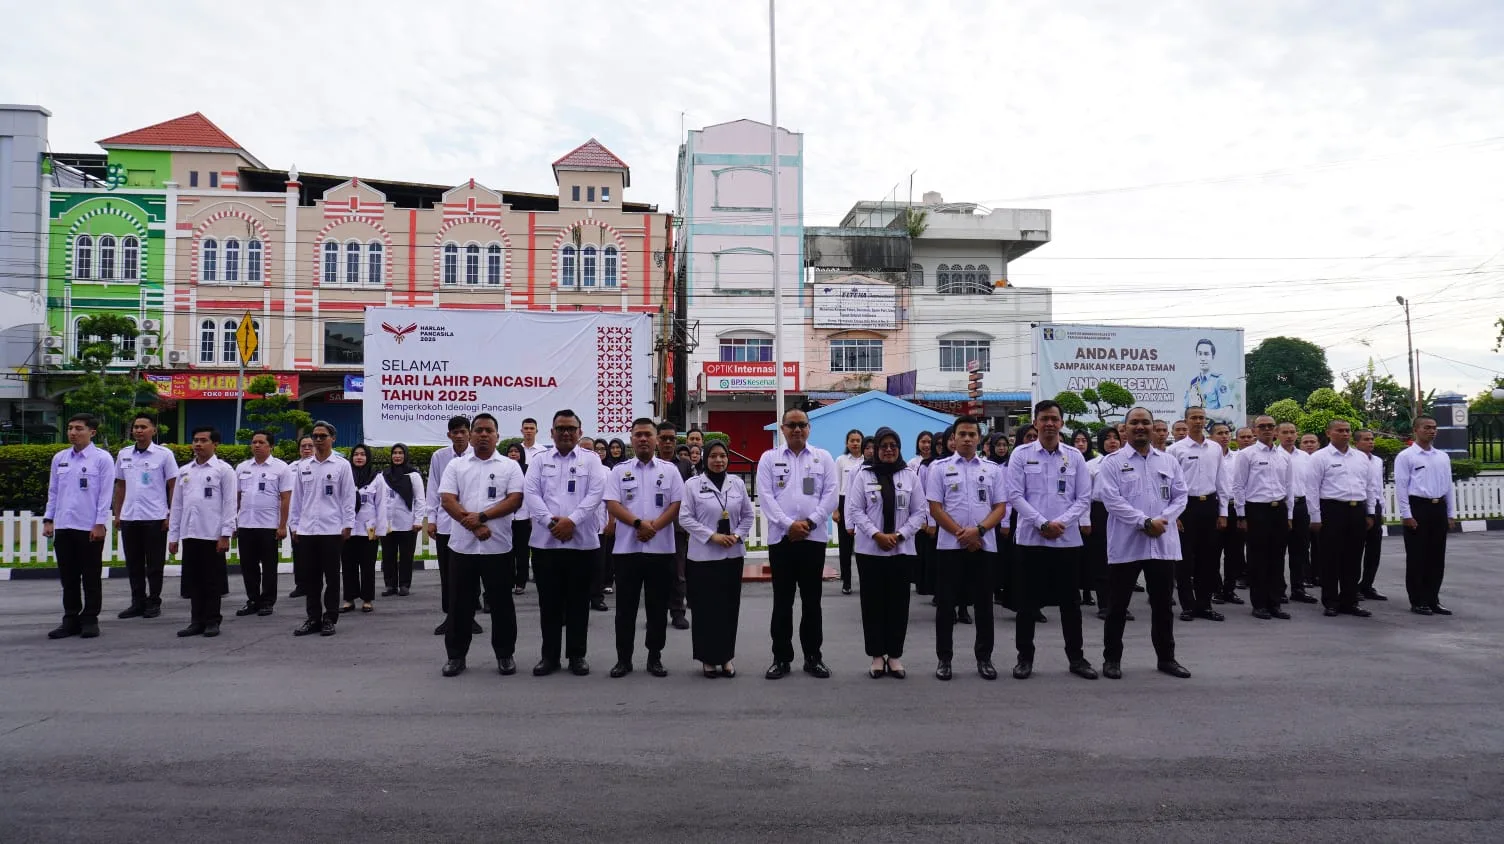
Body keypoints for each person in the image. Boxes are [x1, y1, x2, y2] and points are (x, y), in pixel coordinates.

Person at [1097, 407, 1192, 680]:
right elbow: (1112, 500)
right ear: (1124, 428)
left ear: (1153, 427)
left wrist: (1162, 520)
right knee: (1117, 607)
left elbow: (1180, 496)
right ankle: (1112, 659)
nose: (1140, 427)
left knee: (1163, 606)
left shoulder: (1168, 461)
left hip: (1162, 545)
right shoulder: (1112, 462)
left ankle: (1167, 658)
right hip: (1127, 546)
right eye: (1134, 423)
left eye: (1145, 423)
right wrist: (1144, 522)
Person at [1004, 401, 1096, 681]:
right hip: (1031, 540)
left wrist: (1062, 524)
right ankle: (1024, 658)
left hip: (1066, 541)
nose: (1049, 424)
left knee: (1071, 603)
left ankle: (1077, 658)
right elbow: (1015, 495)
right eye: (1044, 419)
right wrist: (1042, 523)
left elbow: (1083, 497)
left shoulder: (1074, 456)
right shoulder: (1020, 454)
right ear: (1035, 422)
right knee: (1027, 603)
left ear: (1062, 423)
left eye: (1054, 419)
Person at [438, 413, 526, 677]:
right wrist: (474, 525)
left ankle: (504, 654)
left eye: (489, 430)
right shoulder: (457, 466)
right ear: (471, 434)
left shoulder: (509, 467)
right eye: (479, 430)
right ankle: (456, 656)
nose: (484, 435)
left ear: (497, 435)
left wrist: (484, 517)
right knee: (460, 605)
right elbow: (447, 500)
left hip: (497, 547)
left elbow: (515, 500)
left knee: (501, 604)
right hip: (463, 547)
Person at [756, 407, 839, 680]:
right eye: (791, 425)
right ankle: (781, 658)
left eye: (802, 425)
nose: (797, 430)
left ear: (809, 428)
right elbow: (765, 497)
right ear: (782, 428)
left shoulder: (822, 457)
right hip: (782, 540)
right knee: (783, 601)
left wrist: (810, 523)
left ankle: (813, 657)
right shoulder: (769, 459)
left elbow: (830, 496)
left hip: (812, 539)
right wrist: (788, 525)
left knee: (812, 602)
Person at [525, 409, 606, 676]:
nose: (566, 433)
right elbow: (532, 494)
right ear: (552, 432)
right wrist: (552, 523)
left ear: (580, 432)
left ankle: (577, 655)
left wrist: (571, 521)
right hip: (545, 544)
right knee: (548, 604)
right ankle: (549, 657)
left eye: (571, 428)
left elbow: (595, 495)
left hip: (582, 544)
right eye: (561, 428)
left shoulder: (591, 460)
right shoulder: (539, 460)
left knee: (579, 603)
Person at [926, 416, 1007, 681]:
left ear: (979, 438)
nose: (967, 439)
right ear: (954, 438)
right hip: (950, 545)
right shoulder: (939, 468)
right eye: (962, 434)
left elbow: (1000, 507)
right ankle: (944, 659)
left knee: (984, 605)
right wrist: (962, 533)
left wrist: (979, 531)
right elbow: (935, 508)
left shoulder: (993, 469)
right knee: (946, 605)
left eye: (972, 434)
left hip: (984, 545)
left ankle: (984, 658)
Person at [604, 418, 686, 678]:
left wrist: (655, 527)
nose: (642, 439)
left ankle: (654, 657)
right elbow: (613, 504)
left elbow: (676, 505)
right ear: (631, 439)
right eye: (638, 434)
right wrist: (639, 523)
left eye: (647, 435)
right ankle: (623, 659)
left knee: (657, 608)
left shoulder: (669, 470)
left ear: (656, 439)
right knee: (625, 609)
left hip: (660, 549)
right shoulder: (619, 470)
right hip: (627, 551)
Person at [846, 427, 925, 679]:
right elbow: (855, 510)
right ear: (877, 449)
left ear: (899, 448)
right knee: (872, 605)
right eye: (884, 446)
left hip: (901, 550)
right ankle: (877, 656)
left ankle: (895, 656)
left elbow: (920, 511)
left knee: (899, 605)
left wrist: (900, 535)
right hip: (870, 551)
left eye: (893, 445)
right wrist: (876, 535)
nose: (889, 450)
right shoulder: (863, 475)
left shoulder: (910, 476)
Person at [679, 441, 753, 678]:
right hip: (703, 557)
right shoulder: (692, 485)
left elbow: (748, 515)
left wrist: (737, 535)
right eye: (713, 456)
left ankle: (726, 658)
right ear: (704, 458)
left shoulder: (737, 484)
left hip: (732, 555)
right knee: (705, 610)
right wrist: (712, 536)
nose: (718, 460)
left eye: (722, 456)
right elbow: (685, 518)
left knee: (729, 609)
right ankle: (708, 659)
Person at [43, 413, 116, 639]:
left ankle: (90, 618)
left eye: (79, 428)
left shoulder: (102, 459)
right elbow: (53, 491)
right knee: (69, 576)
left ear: (92, 432)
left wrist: (99, 523)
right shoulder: (60, 458)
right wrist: (49, 519)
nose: (73, 432)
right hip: (64, 525)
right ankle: (70, 618)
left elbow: (105, 494)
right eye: (70, 428)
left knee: (91, 575)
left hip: (89, 527)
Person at [167, 426, 236, 637]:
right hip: (190, 534)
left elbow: (230, 503)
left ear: (215, 444)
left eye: (203, 440)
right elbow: (177, 505)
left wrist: (225, 534)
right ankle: (196, 620)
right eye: (195, 440)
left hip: (212, 534)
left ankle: (212, 620)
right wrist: (174, 536)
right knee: (193, 581)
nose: (198, 444)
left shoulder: (223, 470)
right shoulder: (185, 471)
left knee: (212, 581)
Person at [288, 420, 355, 637]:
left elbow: (348, 497)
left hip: (332, 529)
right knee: (311, 578)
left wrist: (348, 524)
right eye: (315, 436)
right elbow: (297, 499)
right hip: (307, 529)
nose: (318, 440)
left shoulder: (341, 465)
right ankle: (313, 618)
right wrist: (294, 525)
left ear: (332, 439)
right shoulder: (303, 466)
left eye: (322, 436)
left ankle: (330, 618)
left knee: (332, 577)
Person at [112, 412, 178, 620]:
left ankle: (154, 601)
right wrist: (118, 513)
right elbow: (120, 485)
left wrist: (170, 514)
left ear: (153, 430)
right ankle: (137, 602)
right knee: (133, 563)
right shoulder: (124, 454)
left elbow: (173, 486)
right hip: (130, 516)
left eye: (143, 427)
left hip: (155, 516)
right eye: (136, 427)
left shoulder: (163, 455)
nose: (139, 430)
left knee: (155, 564)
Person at [1309, 419, 1377, 618]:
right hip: (1332, 510)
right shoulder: (1320, 457)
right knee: (1331, 558)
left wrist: (1370, 512)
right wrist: (1315, 516)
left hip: (1357, 510)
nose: (1345, 434)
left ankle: (1350, 601)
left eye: (1348, 430)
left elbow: (1370, 486)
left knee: (1354, 558)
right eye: (1340, 430)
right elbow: (1312, 488)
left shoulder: (1360, 457)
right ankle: (1331, 601)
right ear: (1328, 433)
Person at [1231, 416, 1296, 621]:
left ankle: (1274, 602)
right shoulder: (1246, 454)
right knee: (1258, 559)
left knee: (1277, 559)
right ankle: (1259, 604)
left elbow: (1289, 487)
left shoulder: (1283, 456)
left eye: (1270, 426)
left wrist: (1290, 514)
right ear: (1255, 429)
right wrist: (1241, 514)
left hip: (1279, 510)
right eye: (1262, 427)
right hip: (1256, 510)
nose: (1267, 430)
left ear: (1275, 430)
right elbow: (1239, 486)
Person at [1167, 406, 1226, 622]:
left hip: (1209, 505)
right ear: (1186, 421)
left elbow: (1221, 480)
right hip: (1185, 507)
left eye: (1201, 418)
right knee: (1184, 560)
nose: (1198, 421)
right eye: (1194, 418)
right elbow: (1169, 484)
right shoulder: (1176, 450)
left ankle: (1205, 605)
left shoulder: (1215, 448)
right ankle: (1188, 606)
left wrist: (1223, 512)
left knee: (1209, 559)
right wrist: (1174, 516)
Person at [1394, 416, 1455, 615]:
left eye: (1434, 428)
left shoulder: (1442, 456)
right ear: (1416, 430)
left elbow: (1448, 486)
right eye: (1427, 427)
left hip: (1438, 507)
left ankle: (1433, 598)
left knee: (1437, 557)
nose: (1432, 431)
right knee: (1417, 557)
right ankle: (1418, 600)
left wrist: (1450, 513)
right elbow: (1401, 487)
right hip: (1418, 507)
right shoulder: (1406, 456)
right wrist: (1406, 514)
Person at [427, 416, 477, 637]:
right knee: (448, 573)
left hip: (470, 523)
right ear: (449, 435)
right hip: (446, 524)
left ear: (469, 433)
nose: (459, 435)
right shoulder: (440, 457)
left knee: (471, 573)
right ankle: (450, 616)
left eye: (463, 431)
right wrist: (432, 518)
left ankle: (471, 617)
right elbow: (433, 487)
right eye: (454, 432)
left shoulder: (477, 456)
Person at [233, 431, 291, 617]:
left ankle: (267, 601)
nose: (256, 445)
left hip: (268, 525)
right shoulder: (242, 468)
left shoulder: (281, 468)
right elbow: (236, 498)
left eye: (261, 442)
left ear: (271, 446)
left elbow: (285, 499)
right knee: (248, 566)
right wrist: (233, 522)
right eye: (254, 442)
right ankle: (252, 600)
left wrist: (282, 526)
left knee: (268, 566)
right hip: (246, 524)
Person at [341, 444, 387, 614]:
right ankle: (349, 599)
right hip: (348, 529)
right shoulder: (345, 476)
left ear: (368, 457)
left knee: (367, 566)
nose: (359, 457)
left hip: (369, 530)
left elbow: (381, 505)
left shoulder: (377, 478)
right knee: (348, 565)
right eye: (356, 454)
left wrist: (380, 531)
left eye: (362, 454)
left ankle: (367, 599)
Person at [656, 420, 693, 630]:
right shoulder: (647, 463)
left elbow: (691, 495)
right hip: (653, 527)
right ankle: (657, 611)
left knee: (678, 572)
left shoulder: (685, 465)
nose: (668, 443)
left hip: (678, 527)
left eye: (672, 439)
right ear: (657, 440)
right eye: (664, 438)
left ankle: (678, 611)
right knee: (656, 573)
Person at [1277, 422, 1319, 604]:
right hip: (1280, 507)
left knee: (1300, 550)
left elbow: (1313, 485)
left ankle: (1298, 588)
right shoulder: (1273, 455)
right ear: (1277, 434)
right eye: (1285, 432)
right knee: (1277, 551)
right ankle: (1278, 589)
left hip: (1302, 506)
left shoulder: (1306, 458)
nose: (1289, 436)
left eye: (1292, 432)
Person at [1087, 427, 1125, 621]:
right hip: (1100, 512)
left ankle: (1120, 605)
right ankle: (1104, 604)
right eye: (1107, 438)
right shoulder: (1092, 465)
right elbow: (1085, 496)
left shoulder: (1127, 462)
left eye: (1115, 438)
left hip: (1123, 512)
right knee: (1102, 559)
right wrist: (1085, 520)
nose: (1112, 441)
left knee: (1122, 560)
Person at [380, 443, 424, 599]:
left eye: (400, 453)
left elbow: (420, 499)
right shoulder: (383, 475)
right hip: (388, 523)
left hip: (407, 522)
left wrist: (418, 520)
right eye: (394, 453)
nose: (397, 456)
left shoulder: (413, 475)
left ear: (405, 455)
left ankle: (404, 585)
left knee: (406, 555)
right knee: (388, 555)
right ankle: (390, 585)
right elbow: (379, 499)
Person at [1212, 425, 1250, 606]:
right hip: (1216, 509)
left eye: (1227, 433)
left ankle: (1229, 589)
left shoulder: (1238, 458)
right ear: (1211, 436)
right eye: (1219, 433)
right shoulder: (1209, 457)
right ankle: (1215, 589)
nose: (1224, 436)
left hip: (1236, 509)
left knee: (1234, 553)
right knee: (1212, 552)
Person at [1355, 429, 1388, 602]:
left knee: (1374, 550)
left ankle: (1367, 584)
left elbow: (1378, 486)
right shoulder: (1353, 460)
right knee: (1355, 549)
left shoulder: (1377, 461)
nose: (1371, 442)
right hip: (1359, 506)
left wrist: (1381, 507)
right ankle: (1352, 587)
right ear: (1356, 443)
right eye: (1366, 439)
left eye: (1372, 439)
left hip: (1375, 505)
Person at [834, 428, 865, 596]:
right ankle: (846, 581)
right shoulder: (841, 460)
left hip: (862, 503)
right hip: (844, 502)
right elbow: (836, 485)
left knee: (863, 545)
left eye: (858, 440)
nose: (855, 443)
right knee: (845, 547)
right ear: (847, 443)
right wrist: (836, 509)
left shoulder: (867, 461)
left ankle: (865, 581)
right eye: (852, 440)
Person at [1184, 338, 1240, 426]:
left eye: (1206, 354)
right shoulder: (1193, 383)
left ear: (1212, 356)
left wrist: (1199, 412)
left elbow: (1226, 414)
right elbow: (1183, 412)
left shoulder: (1219, 381)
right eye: (1200, 354)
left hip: (1214, 431)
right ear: (1196, 356)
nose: (1203, 358)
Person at [1069, 429, 1096, 606]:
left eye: (1083, 441)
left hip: (1091, 514)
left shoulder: (1095, 462)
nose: (1080, 444)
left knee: (1089, 557)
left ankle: (1088, 591)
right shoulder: (1068, 461)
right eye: (1077, 441)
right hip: (1071, 515)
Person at [288, 435, 316, 600]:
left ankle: (314, 584)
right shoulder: (292, 468)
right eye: (303, 446)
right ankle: (301, 584)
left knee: (315, 554)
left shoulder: (321, 465)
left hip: (316, 517)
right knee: (298, 552)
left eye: (310, 446)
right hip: (298, 517)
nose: (306, 449)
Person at [911, 430, 937, 598]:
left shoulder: (935, 463)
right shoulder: (912, 463)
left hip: (934, 514)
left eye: (929, 442)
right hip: (920, 514)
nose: (926, 445)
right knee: (920, 552)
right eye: (923, 442)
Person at [505, 443, 533, 595]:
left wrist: (531, 515)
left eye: (516, 451)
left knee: (522, 551)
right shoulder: (503, 468)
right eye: (510, 451)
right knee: (508, 550)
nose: (513, 454)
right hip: (507, 517)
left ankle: (521, 581)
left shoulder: (528, 469)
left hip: (523, 516)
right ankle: (509, 579)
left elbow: (531, 493)